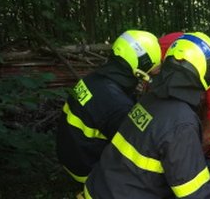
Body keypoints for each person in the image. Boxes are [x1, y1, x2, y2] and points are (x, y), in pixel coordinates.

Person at [83, 32, 210, 198]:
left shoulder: (150, 99)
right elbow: (195, 195)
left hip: (98, 188)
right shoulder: (182, 123)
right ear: (208, 74)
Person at [56, 30, 161, 183]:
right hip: (87, 169)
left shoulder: (95, 79)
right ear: (141, 68)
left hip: (71, 156)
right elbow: (139, 146)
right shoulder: (117, 104)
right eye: (153, 69)